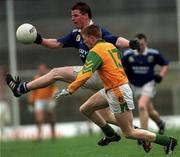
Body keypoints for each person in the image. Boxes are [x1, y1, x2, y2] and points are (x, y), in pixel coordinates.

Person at [6, 2, 140, 147]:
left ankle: (20, 88)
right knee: (106, 115)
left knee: (56, 72)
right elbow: (56, 43)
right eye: (72, 16)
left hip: (99, 76)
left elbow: (116, 40)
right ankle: (132, 133)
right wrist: (38, 39)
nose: (73, 19)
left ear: (86, 15)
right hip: (99, 79)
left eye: (75, 15)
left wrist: (131, 44)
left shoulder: (95, 32)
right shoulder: (77, 34)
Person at [55, 24, 177, 154]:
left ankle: (167, 141)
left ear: (91, 38)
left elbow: (85, 73)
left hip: (117, 91)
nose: (84, 42)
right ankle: (111, 134)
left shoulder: (95, 51)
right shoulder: (110, 46)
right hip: (112, 88)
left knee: (129, 132)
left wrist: (70, 89)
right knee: (85, 109)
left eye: (85, 39)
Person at [122, 33, 168, 135]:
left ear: (146, 43)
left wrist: (161, 75)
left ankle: (144, 136)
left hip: (149, 83)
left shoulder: (153, 54)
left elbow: (165, 64)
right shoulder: (128, 54)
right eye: (138, 44)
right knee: (149, 110)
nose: (140, 46)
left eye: (142, 44)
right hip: (134, 85)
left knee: (142, 106)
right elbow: (121, 68)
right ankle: (160, 123)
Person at [28, 64, 57, 141]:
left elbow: (55, 88)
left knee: (51, 118)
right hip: (39, 100)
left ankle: (53, 134)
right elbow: (33, 91)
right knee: (39, 119)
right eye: (40, 69)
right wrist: (31, 101)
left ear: (45, 69)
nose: (42, 70)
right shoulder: (36, 78)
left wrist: (53, 98)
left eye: (43, 69)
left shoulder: (50, 77)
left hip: (48, 100)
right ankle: (39, 135)